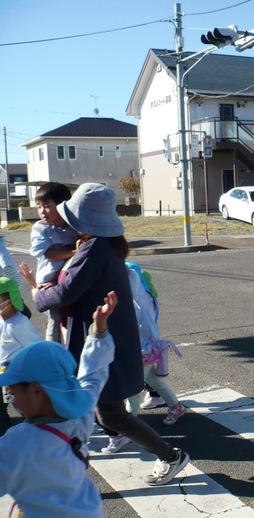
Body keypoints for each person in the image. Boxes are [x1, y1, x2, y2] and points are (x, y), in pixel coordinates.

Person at [31, 183, 189, 486]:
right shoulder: (106, 243)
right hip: (108, 338)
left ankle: (169, 456)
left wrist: (38, 293)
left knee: (102, 412)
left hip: (105, 341)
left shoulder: (95, 248)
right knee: (104, 412)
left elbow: (66, 291)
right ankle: (168, 456)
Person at [0, 291, 118, 517]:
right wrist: (99, 330)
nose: (11, 397)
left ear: (36, 391)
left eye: (12, 391)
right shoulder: (79, 415)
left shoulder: (16, 445)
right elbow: (93, 373)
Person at [123, 262, 186, 428]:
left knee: (133, 388)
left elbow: (130, 277)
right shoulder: (144, 297)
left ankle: (128, 426)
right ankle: (176, 407)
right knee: (154, 380)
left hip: (143, 349)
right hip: (146, 348)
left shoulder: (140, 301)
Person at [29, 182, 77, 342]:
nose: (42, 211)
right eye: (39, 207)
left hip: (69, 279)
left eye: (47, 206)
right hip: (48, 282)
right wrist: (74, 252)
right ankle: (53, 351)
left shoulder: (74, 225)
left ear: (63, 205)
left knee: (72, 316)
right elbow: (48, 253)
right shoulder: (41, 228)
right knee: (55, 318)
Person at [0, 277, 43, 435]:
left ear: (9, 300)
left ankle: (41, 435)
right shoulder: (3, 320)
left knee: (25, 409)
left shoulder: (19, 323)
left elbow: (36, 348)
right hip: (4, 373)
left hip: (18, 374)